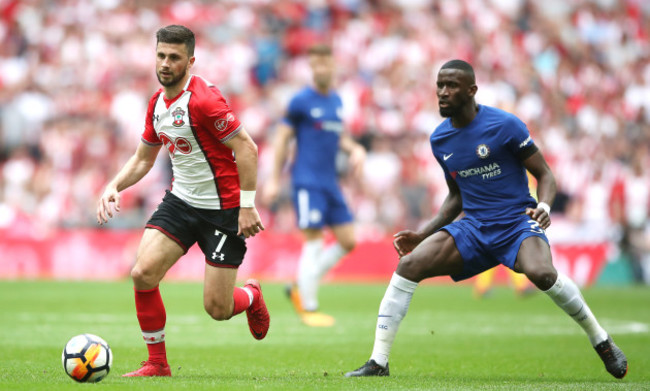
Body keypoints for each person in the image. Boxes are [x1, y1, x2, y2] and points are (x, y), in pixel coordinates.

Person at [345, 60, 628, 379]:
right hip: (474, 228)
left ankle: (600, 340)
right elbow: (456, 196)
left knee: (541, 273)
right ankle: (378, 362)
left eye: (451, 85)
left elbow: (545, 174)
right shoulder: (440, 139)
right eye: (439, 85)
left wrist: (545, 207)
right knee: (409, 265)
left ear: (471, 90)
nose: (442, 92)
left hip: (516, 223)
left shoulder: (505, 126)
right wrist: (422, 235)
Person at [96, 25, 269, 377]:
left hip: (223, 210)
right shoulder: (157, 104)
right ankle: (157, 363)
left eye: (174, 57)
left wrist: (248, 205)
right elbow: (144, 159)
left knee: (217, 308)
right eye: (160, 55)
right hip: (181, 202)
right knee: (142, 273)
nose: (165, 63)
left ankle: (251, 296)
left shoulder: (204, 100)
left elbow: (247, 148)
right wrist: (115, 184)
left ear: (190, 61)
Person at [264, 44, 365, 327]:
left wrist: (354, 149)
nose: (321, 68)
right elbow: (282, 138)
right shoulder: (300, 101)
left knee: (348, 241)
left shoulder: (336, 101)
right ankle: (308, 307)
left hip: (330, 182)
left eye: (325, 63)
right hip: (307, 182)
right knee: (314, 241)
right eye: (315, 64)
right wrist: (273, 179)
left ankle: (299, 286)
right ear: (311, 67)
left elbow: (339, 136)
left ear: (334, 65)